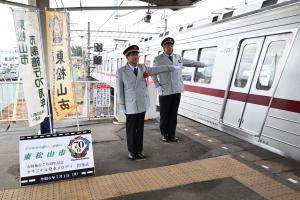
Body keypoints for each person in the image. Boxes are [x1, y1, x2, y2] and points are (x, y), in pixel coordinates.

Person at [117, 45, 181, 160]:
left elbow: (156, 70)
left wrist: (172, 67)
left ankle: (139, 150)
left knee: (140, 129)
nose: (136, 57)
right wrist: (122, 105)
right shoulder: (121, 71)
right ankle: (132, 151)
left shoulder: (142, 68)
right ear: (127, 57)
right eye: (133, 55)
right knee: (131, 129)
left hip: (142, 104)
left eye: (137, 55)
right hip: (130, 105)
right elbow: (119, 89)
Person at [152, 37, 205, 143]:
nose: (169, 48)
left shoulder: (178, 57)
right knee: (164, 114)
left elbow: (190, 62)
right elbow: (153, 73)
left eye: (171, 46)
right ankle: (164, 134)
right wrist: (158, 86)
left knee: (173, 114)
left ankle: (172, 134)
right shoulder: (158, 59)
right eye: (167, 46)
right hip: (165, 90)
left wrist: (203, 64)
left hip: (176, 90)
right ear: (163, 47)